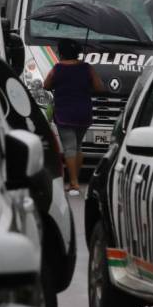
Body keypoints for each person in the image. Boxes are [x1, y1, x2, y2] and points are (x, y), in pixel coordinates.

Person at [44, 39, 103, 196]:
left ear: (61, 53)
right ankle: (73, 181)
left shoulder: (57, 68)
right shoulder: (87, 68)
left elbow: (46, 85)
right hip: (83, 113)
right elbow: (99, 87)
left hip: (65, 113)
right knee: (77, 147)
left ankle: (74, 183)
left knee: (69, 147)